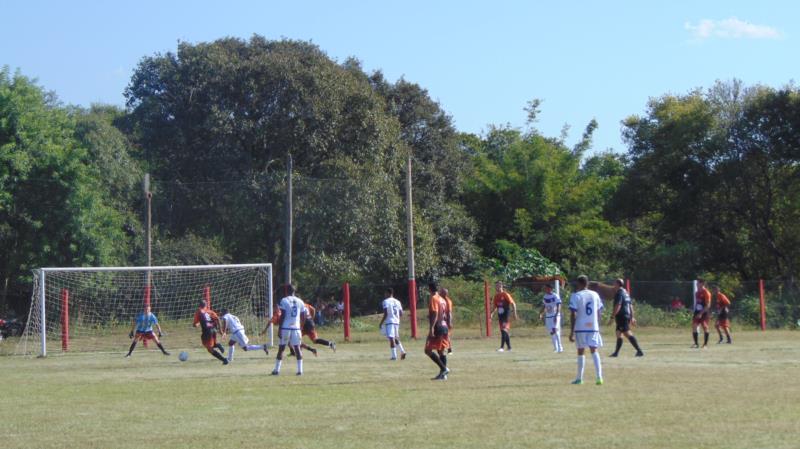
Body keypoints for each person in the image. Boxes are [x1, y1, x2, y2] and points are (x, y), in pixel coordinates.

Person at [568, 275, 604, 385]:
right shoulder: (595, 294)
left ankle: (579, 378)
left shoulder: (576, 296)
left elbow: (573, 314)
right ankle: (599, 377)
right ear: (587, 283)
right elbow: (599, 312)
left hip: (580, 327)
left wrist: (572, 331)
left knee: (580, 351)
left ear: (579, 284)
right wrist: (596, 324)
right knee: (594, 350)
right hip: (593, 327)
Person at [271, 284, 307, 376]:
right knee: (297, 348)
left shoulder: (284, 300)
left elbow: (283, 315)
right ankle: (300, 371)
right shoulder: (300, 301)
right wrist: (301, 326)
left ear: (286, 291)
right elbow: (303, 316)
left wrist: (280, 328)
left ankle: (276, 370)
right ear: (294, 292)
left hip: (286, 327)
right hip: (296, 328)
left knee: (281, 348)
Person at [608, 279, 644, 357]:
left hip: (621, 316)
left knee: (627, 333)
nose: (613, 284)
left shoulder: (619, 293)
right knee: (618, 333)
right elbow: (630, 305)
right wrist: (632, 317)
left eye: (614, 283)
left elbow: (618, 305)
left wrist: (612, 317)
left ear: (617, 284)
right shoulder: (626, 293)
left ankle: (639, 351)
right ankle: (616, 353)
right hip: (624, 315)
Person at [424, 282, 450, 380]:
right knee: (441, 351)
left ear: (429, 289)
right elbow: (444, 314)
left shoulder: (434, 298)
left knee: (427, 350)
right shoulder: (442, 299)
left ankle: (444, 369)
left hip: (438, 327)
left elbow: (435, 313)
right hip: (444, 326)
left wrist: (431, 327)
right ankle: (443, 375)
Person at [193, 299, 228, 364]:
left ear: (199, 305)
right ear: (206, 305)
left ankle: (224, 359)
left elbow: (195, 324)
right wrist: (220, 330)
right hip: (214, 330)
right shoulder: (210, 311)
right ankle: (217, 345)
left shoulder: (198, 312)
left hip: (207, 332)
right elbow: (217, 319)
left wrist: (198, 323)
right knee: (210, 345)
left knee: (210, 349)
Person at [378, 288, 406, 360]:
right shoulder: (398, 301)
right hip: (396, 321)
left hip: (390, 321)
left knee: (391, 338)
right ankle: (402, 351)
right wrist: (397, 318)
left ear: (388, 293)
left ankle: (394, 356)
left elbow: (386, 313)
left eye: (385, 293)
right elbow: (401, 313)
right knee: (395, 338)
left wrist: (381, 323)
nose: (385, 295)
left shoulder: (385, 301)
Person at [489, 281, 518, 352]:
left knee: (503, 330)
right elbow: (495, 307)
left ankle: (501, 347)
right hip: (500, 316)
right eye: (496, 286)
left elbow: (513, 304)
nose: (497, 287)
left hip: (506, 315)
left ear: (502, 286)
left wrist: (514, 314)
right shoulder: (496, 296)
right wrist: (491, 314)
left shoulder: (505, 294)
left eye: (499, 286)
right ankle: (509, 348)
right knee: (504, 331)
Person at [538, 283, 563, 353]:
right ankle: (556, 348)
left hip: (555, 315)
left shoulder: (555, 296)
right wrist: (540, 313)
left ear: (550, 289)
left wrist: (556, 315)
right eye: (545, 288)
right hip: (548, 316)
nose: (545, 289)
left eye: (546, 288)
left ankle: (560, 347)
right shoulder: (545, 296)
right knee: (552, 332)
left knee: (555, 330)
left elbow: (559, 305)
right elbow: (544, 306)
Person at [692, 279, 712, 348]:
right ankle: (696, 344)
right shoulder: (697, 293)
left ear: (702, 284)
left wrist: (701, 313)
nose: (697, 284)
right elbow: (698, 303)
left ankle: (705, 345)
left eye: (698, 283)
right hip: (697, 311)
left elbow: (708, 305)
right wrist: (695, 311)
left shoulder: (706, 292)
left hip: (704, 312)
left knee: (705, 327)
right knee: (694, 326)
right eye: (697, 283)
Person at [440, 287, 454, 355]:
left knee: (447, 335)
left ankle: (449, 349)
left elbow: (449, 313)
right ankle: (444, 348)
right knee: (444, 335)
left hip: (446, 320)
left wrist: (450, 322)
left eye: (441, 292)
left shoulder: (448, 301)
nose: (440, 293)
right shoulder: (440, 299)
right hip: (441, 320)